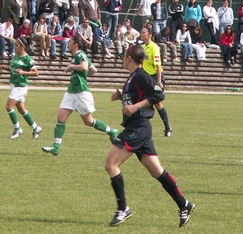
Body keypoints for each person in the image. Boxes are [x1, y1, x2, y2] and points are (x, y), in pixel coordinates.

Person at [107, 44, 195, 228]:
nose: (123, 58)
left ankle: (123, 209)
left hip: (138, 127)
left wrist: (136, 106)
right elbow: (136, 98)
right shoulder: (132, 77)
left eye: (124, 55)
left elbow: (158, 94)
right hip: (138, 127)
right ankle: (184, 204)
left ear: (129, 58)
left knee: (111, 164)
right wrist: (121, 96)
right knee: (156, 170)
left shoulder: (140, 75)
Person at [41, 35, 119, 156]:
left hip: (81, 92)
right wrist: (82, 75)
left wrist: (72, 67)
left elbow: (84, 67)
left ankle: (111, 131)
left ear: (76, 44)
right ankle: (56, 146)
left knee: (88, 121)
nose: (68, 43)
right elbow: (93, 70)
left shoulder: (80, 54)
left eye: (70, 41)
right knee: (60, 119)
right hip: (71, 92)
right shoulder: (78, 56)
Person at [1, 35, 42, 139]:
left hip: (21, 87)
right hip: (14, 84)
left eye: (16, 45)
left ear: (23, 46)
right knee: (22, 110)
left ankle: (17, 129)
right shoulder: (16, 56)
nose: (14, 46)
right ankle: (36, 128)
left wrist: (24, 72)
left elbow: (36, 73)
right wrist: (5, 68)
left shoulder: (28, 59)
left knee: (8, 106)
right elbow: (14, 69)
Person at [141, 27, 173, 137]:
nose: (141, 34)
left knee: (158, 104)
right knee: (142, 101)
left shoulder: (154, 47)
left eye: (144, 32)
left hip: (155, 78)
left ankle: (168, 128)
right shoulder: (142, 47)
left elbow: (158, 66)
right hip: (146, 79)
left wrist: (159, 82)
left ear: (149, 35)